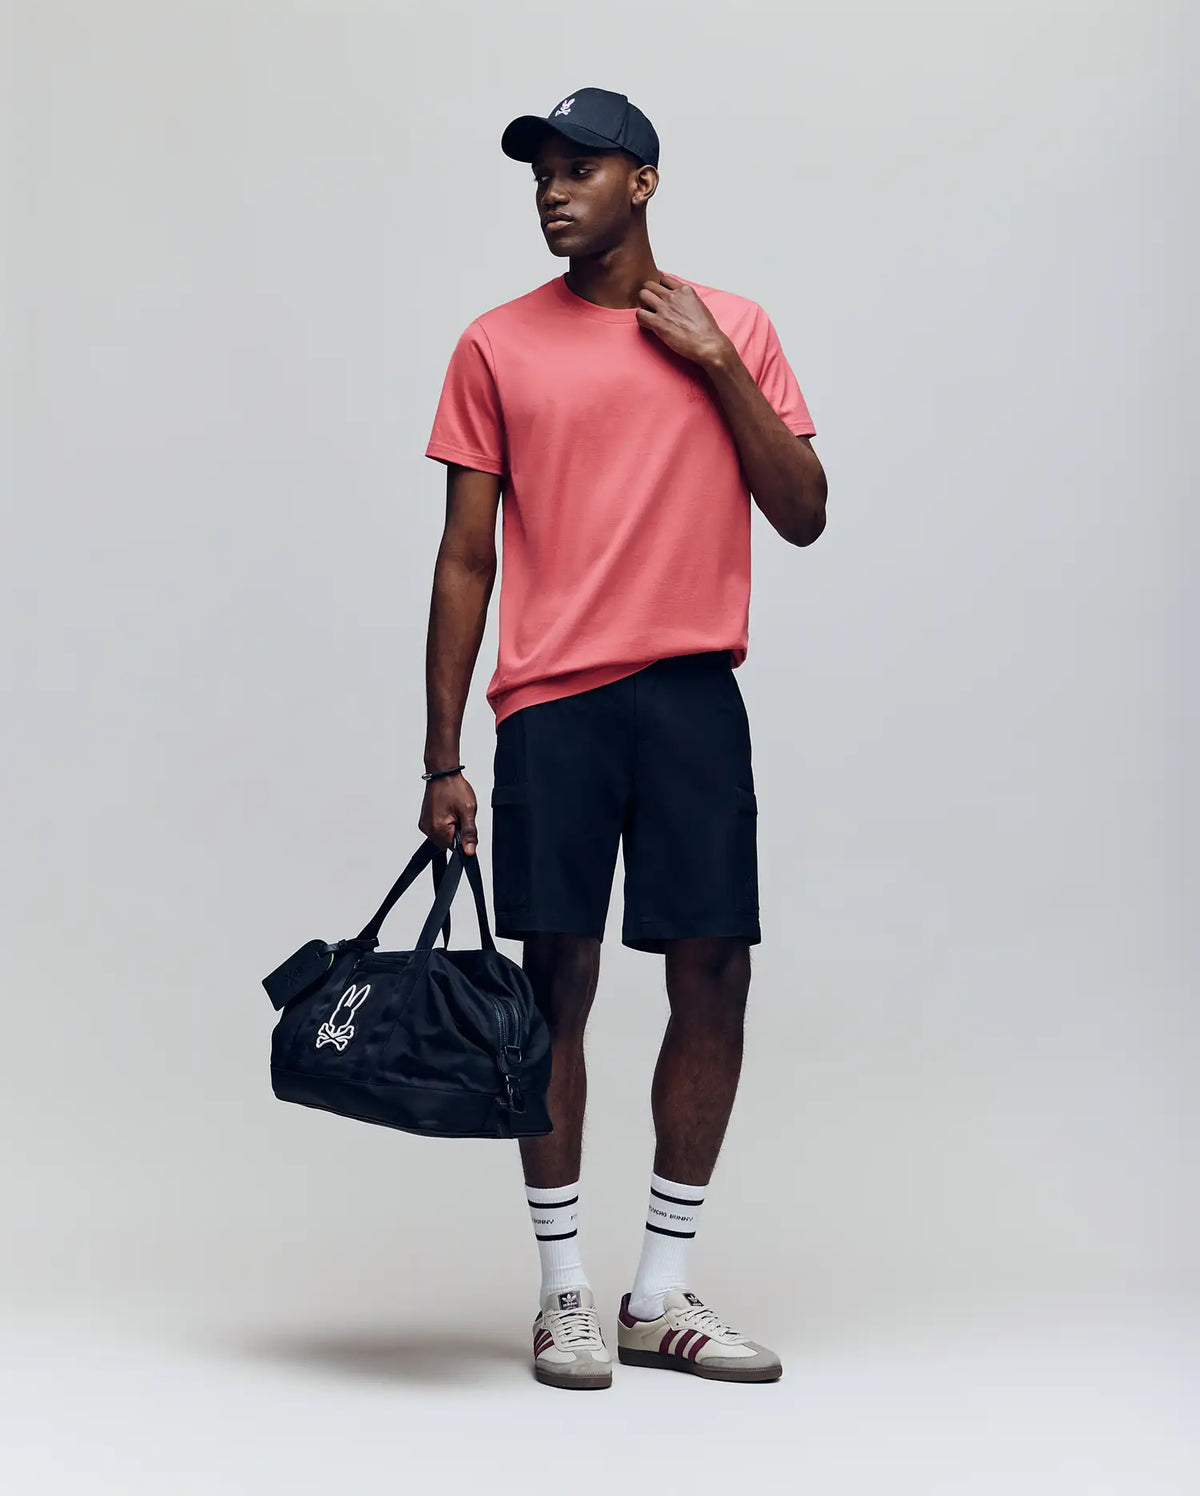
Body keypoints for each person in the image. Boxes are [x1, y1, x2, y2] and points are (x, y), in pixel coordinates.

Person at [419, 88, 827, 1390]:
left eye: (580, 169)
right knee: (556, 984)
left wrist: (711, 358)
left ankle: (661, 1290)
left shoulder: (737, 325)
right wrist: (442, 756)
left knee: (714, 971)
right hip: (555, 706)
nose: (553, 192)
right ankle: (565, 1296)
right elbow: (465, 559)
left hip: (695, 693)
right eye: (541, 173)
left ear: (641, 183)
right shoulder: (495, 345)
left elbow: (806, 510)